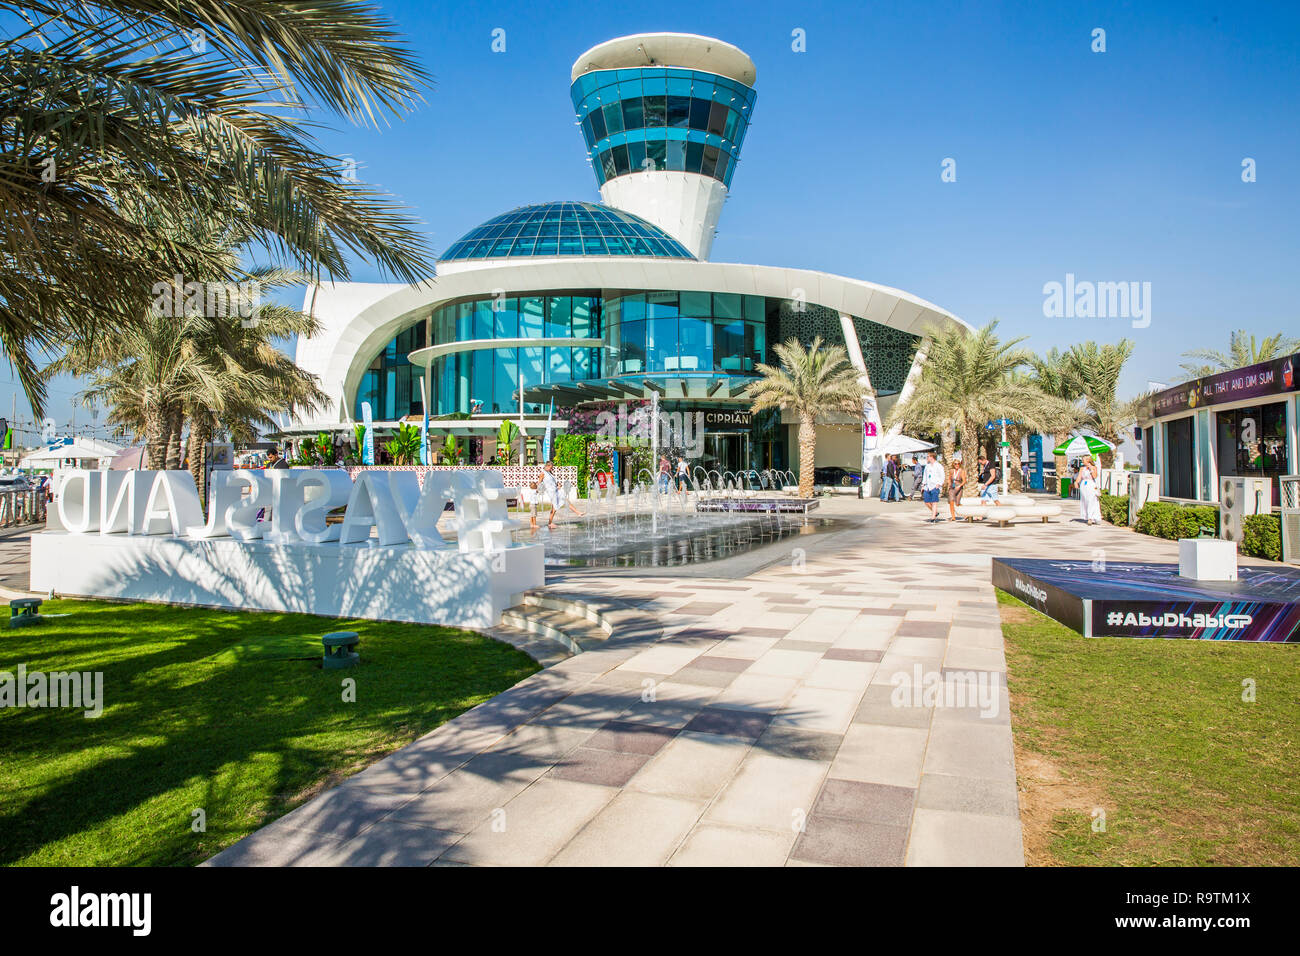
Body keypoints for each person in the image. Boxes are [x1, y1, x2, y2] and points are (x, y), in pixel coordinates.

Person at [1078, 454, 1102, 524]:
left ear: (1088, 460)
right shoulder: (1082, 468)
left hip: (1091, 485)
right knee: (1085, 501)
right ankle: (1087, 516)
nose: (1083, 461)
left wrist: (1091, 469)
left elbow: (1095, 476)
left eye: (1083, 460)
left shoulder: (1094, 467)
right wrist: (1076, 482)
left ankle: (1091, 517)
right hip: (1084, 485)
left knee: (1091, 500)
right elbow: (1079, 477)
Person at [921, 451, 945, 522]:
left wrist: (939, 484)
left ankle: (933, 517)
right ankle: (935, 512)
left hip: (935, 486)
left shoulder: (938, 466)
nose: (927, 458)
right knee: (927, 502)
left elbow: (942, 475)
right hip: (928, 486)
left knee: (934, 502)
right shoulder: (927, 466)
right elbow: (925, 476)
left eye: (928, 456)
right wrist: (923, 484)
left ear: (932, 457)